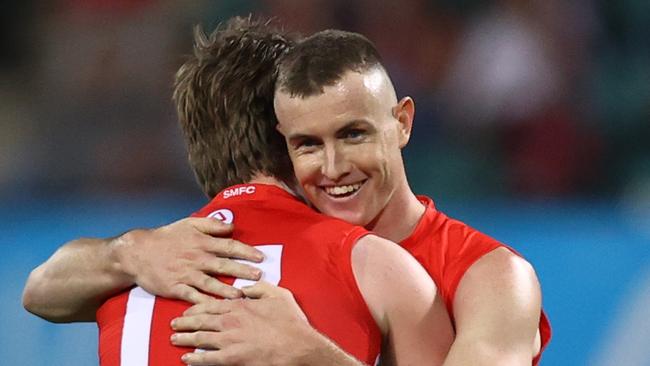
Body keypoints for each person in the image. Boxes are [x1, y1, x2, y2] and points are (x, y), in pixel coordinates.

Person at [23, 19, 551, 366]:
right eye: (307, 144)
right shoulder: (225, 252)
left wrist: (310, 355)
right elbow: (39, 290)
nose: (333, 167)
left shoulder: (492, 276)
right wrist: (129, 250)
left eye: (353, 134)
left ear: (404, 123)